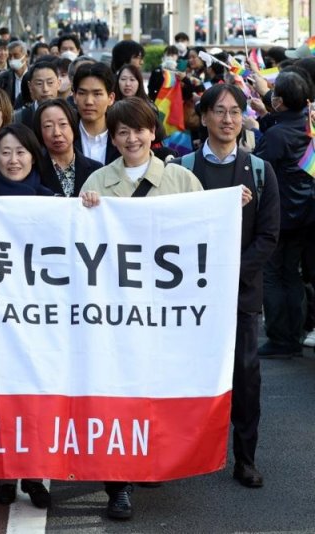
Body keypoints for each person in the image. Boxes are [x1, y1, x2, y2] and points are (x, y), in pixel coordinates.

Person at [79, 97, 203, 520]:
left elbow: (203, 233)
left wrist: (230, 206)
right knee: (116, 394)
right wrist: (86, 211)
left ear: (154, 132)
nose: (132, 138)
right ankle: (117, 484)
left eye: (140, 129)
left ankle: (151, 460)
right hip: (113, 313)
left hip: (164, 311)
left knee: (156, 391)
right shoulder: (96, 181)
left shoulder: (182, 180)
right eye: (123, 132)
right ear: (112, 139)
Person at [168, 84, 280, 489]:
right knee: (178, 376)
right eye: (220, 111)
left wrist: (230, 274)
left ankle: (245, 458)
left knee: (246, 379)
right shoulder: (180, 170)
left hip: (239, 297)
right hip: (185, 297)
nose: (228, 119)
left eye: (236, 111)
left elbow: (268, 237)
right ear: (204, 116)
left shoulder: (261, 171)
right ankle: (171, 457)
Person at [255, 71, 315, 358]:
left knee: (273, 275)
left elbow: (259, 172)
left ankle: (282, 338)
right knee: (292, 274)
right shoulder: (309, 125)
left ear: (279, 101)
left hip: (281, 214)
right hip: (306, 213)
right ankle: (296, 333)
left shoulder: (277, 135)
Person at [34, 98, 102, 196]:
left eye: (63, 124)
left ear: (73, 126)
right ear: (39, 131)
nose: (57, 133)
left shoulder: (96, 170)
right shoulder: (34, 171)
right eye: (48, 126)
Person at [73, 62, 119, 165]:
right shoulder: (66, 135)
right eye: (82, 93)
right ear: (74, 97)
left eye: (97, 94)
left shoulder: (121, 135)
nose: (89, 101)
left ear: (110, 98)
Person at [13, 60, 60, 129]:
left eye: (50, 82)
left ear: (59, 84)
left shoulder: (70, 114)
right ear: (30, 86)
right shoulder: (19, 118)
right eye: (39, 83)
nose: (45, 89)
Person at [0, 40, 29, 108]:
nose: (12, 59)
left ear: (25, 57)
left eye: (16, 55)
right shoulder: (3, 78)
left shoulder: (34, 75)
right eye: (10, 56)